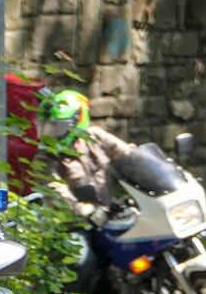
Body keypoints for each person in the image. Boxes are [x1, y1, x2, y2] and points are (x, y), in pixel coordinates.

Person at [33, 89, 136, 224]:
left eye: (58, 126)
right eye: (47, 127)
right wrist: (84, 210)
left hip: (109, 216)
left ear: (77, 121)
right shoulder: (45, 158)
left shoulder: (95, 137)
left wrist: (151, 166)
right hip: (74, 226)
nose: (51, 133)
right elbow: (56, 191)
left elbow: (128, 155)